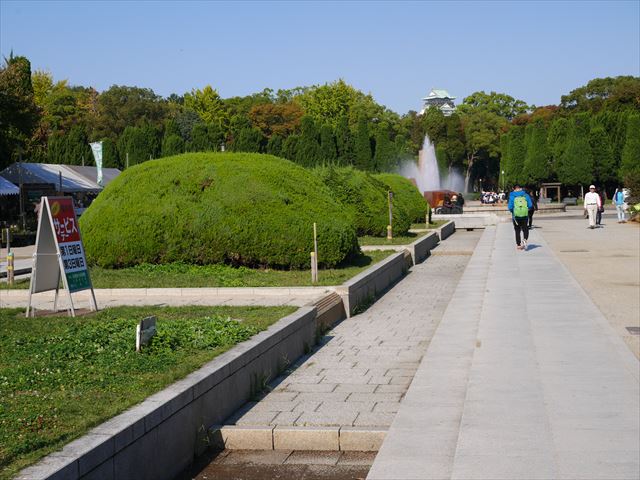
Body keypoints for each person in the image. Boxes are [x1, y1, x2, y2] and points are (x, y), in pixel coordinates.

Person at [508, 184, 533, 251]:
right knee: (525, 228)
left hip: (516, 216)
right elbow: (530, 205)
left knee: (517, 230)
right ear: (521, 188)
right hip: (525, 215)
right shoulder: (526, 195)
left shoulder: (512, 196)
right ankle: (525, 239)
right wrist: (526, 209)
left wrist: (513, 211)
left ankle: (518, 245)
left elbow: (510, 207)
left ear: (514, 189)